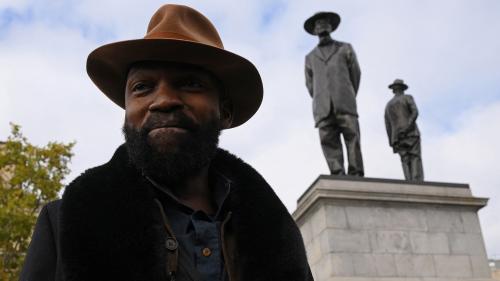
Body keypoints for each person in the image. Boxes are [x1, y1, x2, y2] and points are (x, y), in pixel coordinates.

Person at [20, 4, 313, 281]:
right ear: (127, 110)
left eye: (190, 83)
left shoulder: (278, 237)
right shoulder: (63, 224)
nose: (162, 101)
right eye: (142, 87)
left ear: (224, 111)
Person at [304, 11, 364, 176]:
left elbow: (355, 75)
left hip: (345, 102)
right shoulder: (310, 57)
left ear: (331, 27)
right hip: (322, 107)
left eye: (325, 22)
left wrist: (347, 93)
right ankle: (337, 173)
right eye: (318, 24)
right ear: (314, 30)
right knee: (328, 141)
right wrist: (321, 97)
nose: (321, 26)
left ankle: (356, 172)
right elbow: (310, 85)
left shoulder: (345, 48)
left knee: (352, 138)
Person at [384, 79, 424, 181]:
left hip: (397, 137)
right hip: (411, 133)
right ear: (403, 89)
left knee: (404, 159)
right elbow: (415, 112)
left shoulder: (388, 105)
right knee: (415, 156)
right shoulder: (407, 98)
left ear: (393, 90)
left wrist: (392, 142)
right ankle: (416, 181)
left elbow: (387, 125)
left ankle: (408, 180)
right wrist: (408, 126)